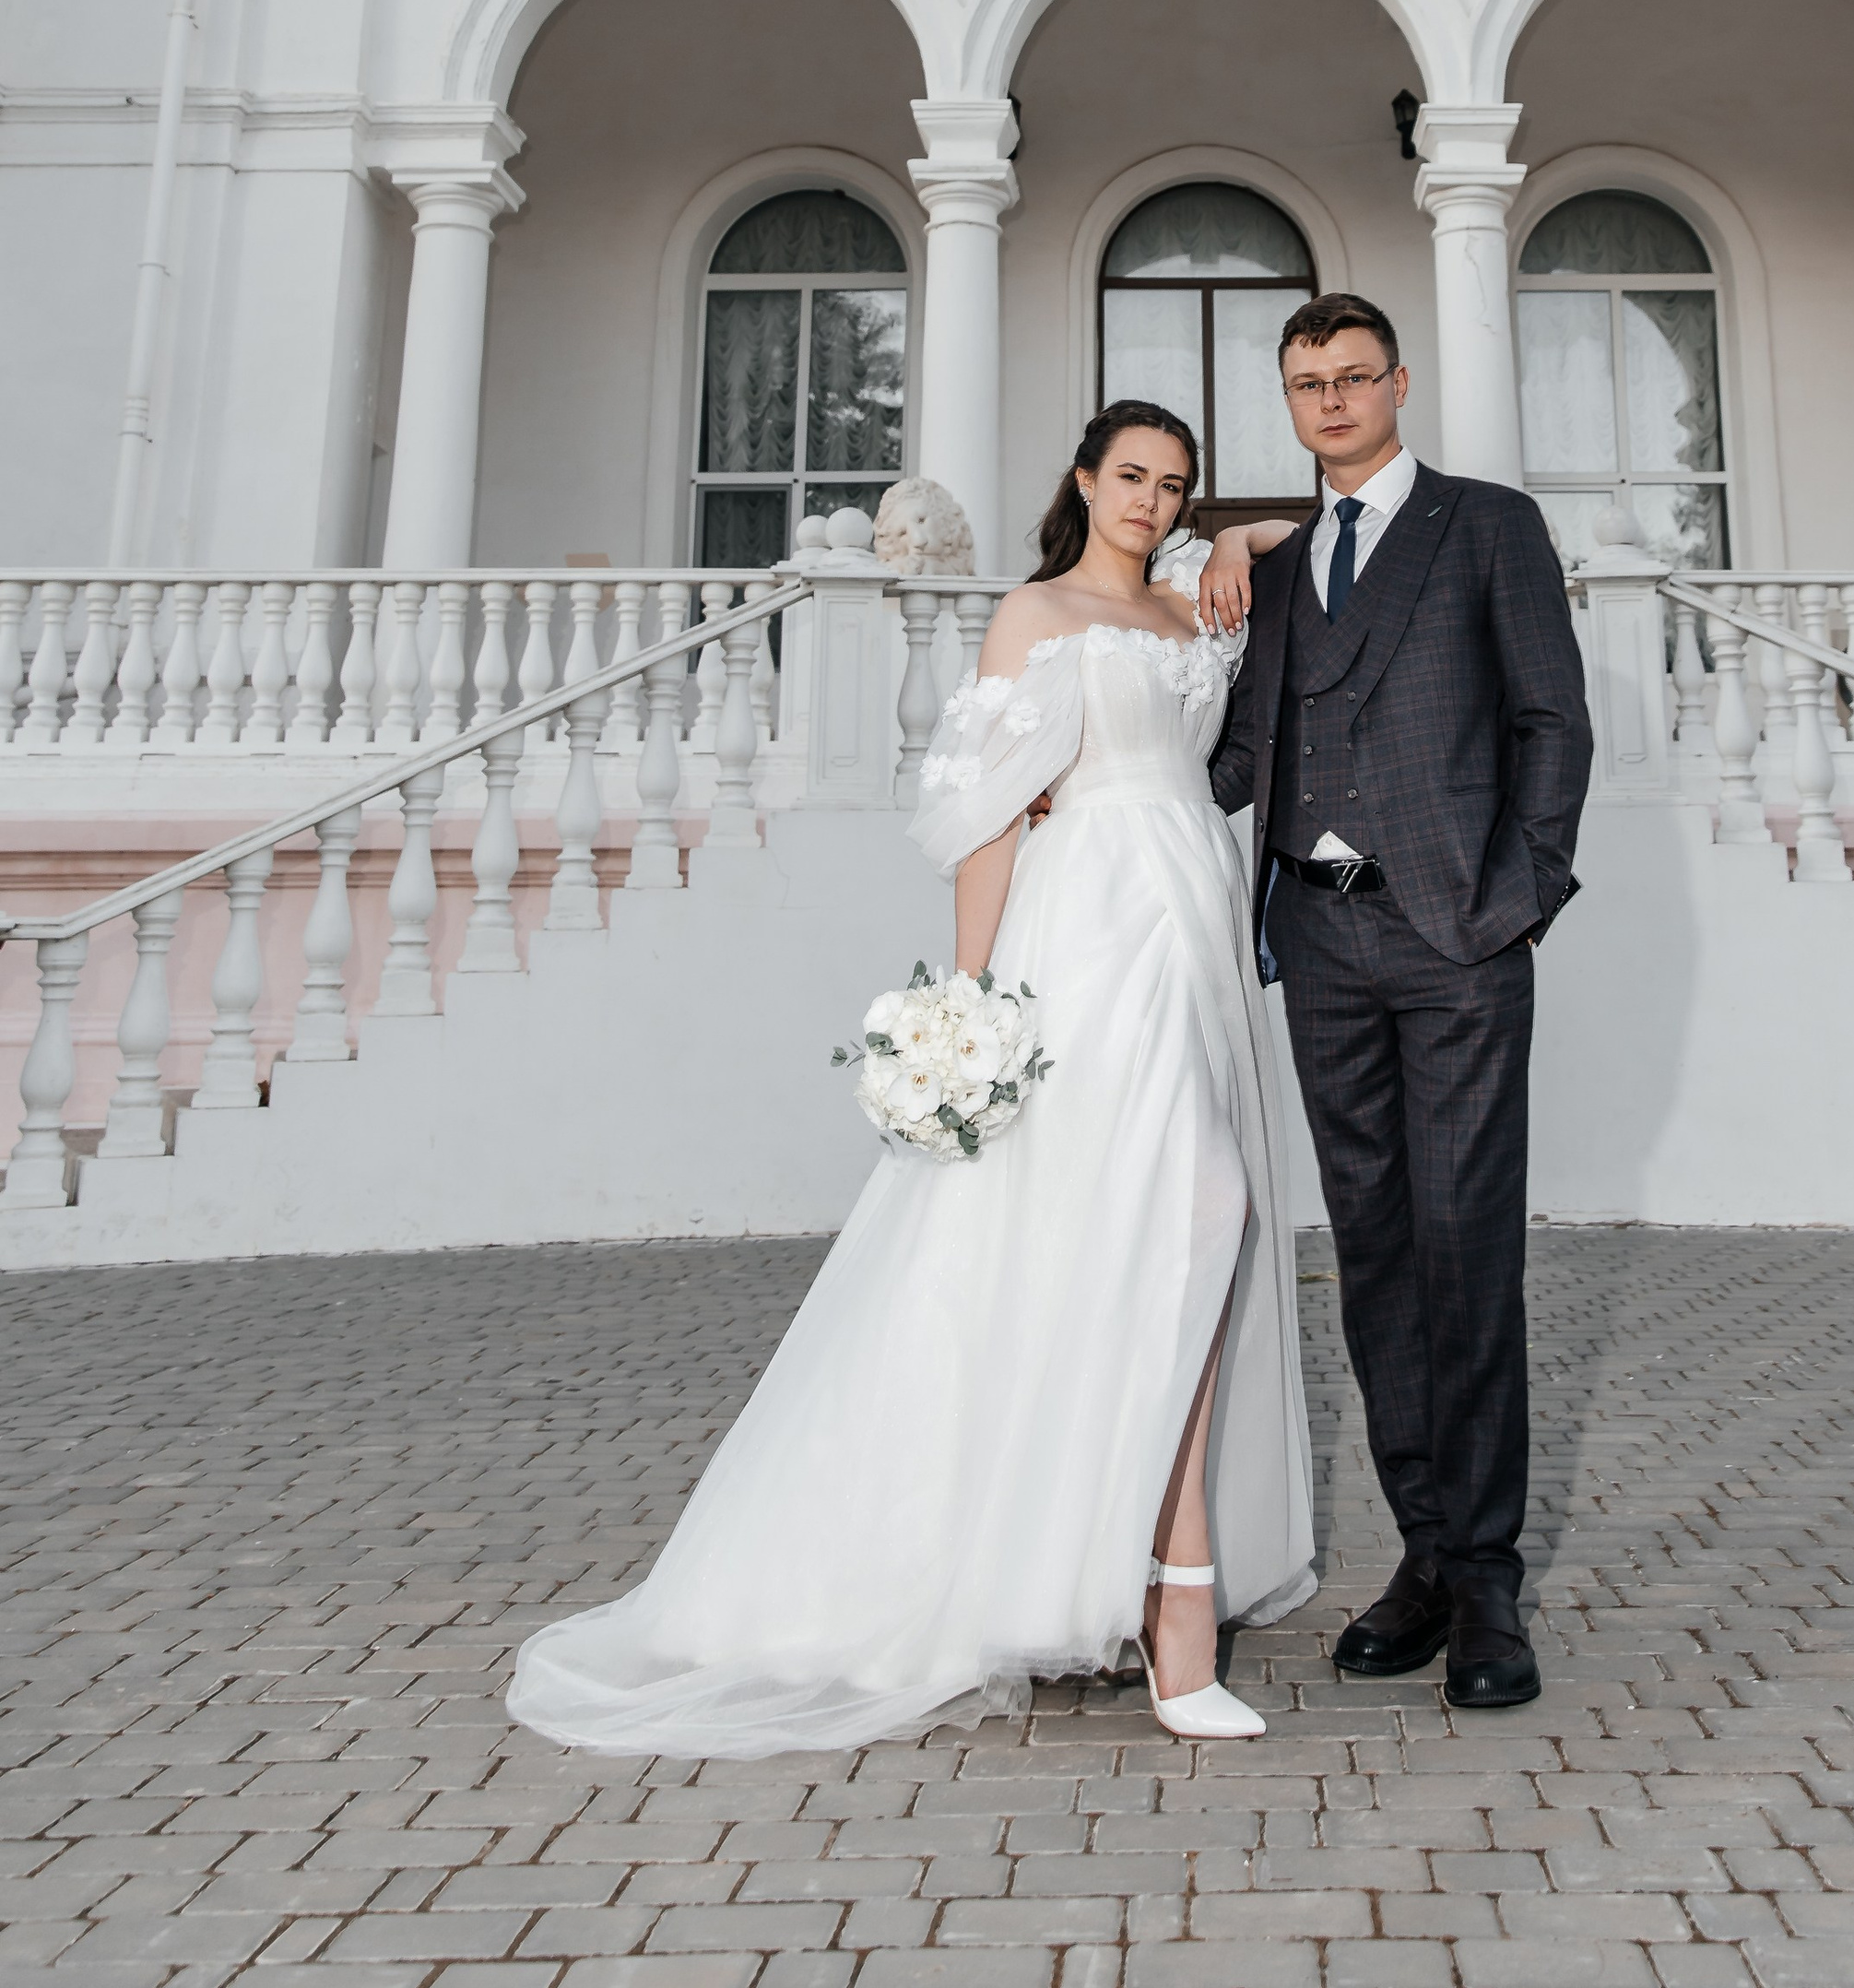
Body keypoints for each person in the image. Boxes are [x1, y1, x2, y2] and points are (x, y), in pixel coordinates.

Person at [506, 401, 1315, 1757]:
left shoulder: (1194, 603)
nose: (1152, 501)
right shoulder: (1033, 617)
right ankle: (1177, 1603)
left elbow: (1316, 527)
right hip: (1092, 928)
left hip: (1196, 923)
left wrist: (1238, 535)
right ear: (1082, 478)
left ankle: (1111, 1554)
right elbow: (988, 816)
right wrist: (973, 997)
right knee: (1188, 1213)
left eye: (1175, 486)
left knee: (1170, 1233)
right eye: (1131, 476)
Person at [1200, 292, 1591, 1711]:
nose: (1333, 402)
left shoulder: (1488, 527)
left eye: (1354, 378)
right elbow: (1240, 759)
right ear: (1289, 401)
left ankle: (1488, 1586)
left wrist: (1519, 898)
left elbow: (1554, 719)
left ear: (1400, 384)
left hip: (1455, 944)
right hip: (1320, 943)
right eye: (1307, 384)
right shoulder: (1283, 564)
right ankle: (1424, 1552)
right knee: (1372, 1257)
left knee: (1466, 1253)